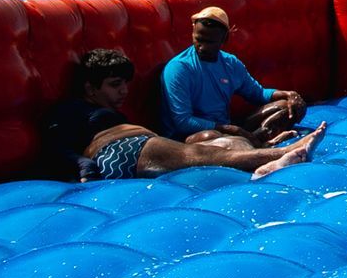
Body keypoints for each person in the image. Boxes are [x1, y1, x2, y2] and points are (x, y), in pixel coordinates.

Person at [47, 48, 326, 182]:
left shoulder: (229, 64)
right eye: (114, 85)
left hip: (136, 147)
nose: (123, 92)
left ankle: (262, 161)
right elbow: (56, 145)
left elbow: (255, 91)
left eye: (125, 84)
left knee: (226, 145)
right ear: (89, 88)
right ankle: (286, 154)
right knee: (200, 155)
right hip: (119, 152)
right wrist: (84, 165)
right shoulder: (71, 109)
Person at [160, 6, 305, 143]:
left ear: (224, 40)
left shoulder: (231, 63)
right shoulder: (179, 68)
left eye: (210, 42)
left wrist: (288, 95)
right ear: (192, 33)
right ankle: (256, 142)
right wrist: (227, 129)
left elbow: (258, 93)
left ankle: (252, 142)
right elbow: (183, 122)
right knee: (210, 136)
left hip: (226, 130)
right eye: (198, 40)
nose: (202, 47)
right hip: (190, 138)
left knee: (285, 107)